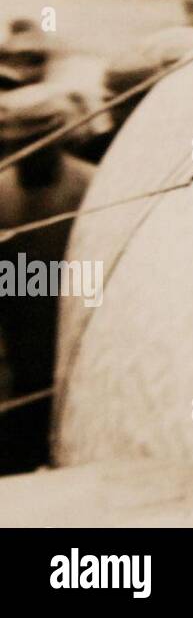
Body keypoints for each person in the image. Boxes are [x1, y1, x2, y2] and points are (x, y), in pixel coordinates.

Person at [0, 86, 96, 472]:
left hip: (76, 331)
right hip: (19, 345)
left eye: (34, 143)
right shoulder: (2, 193)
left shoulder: (90, 187)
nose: (24, 155)